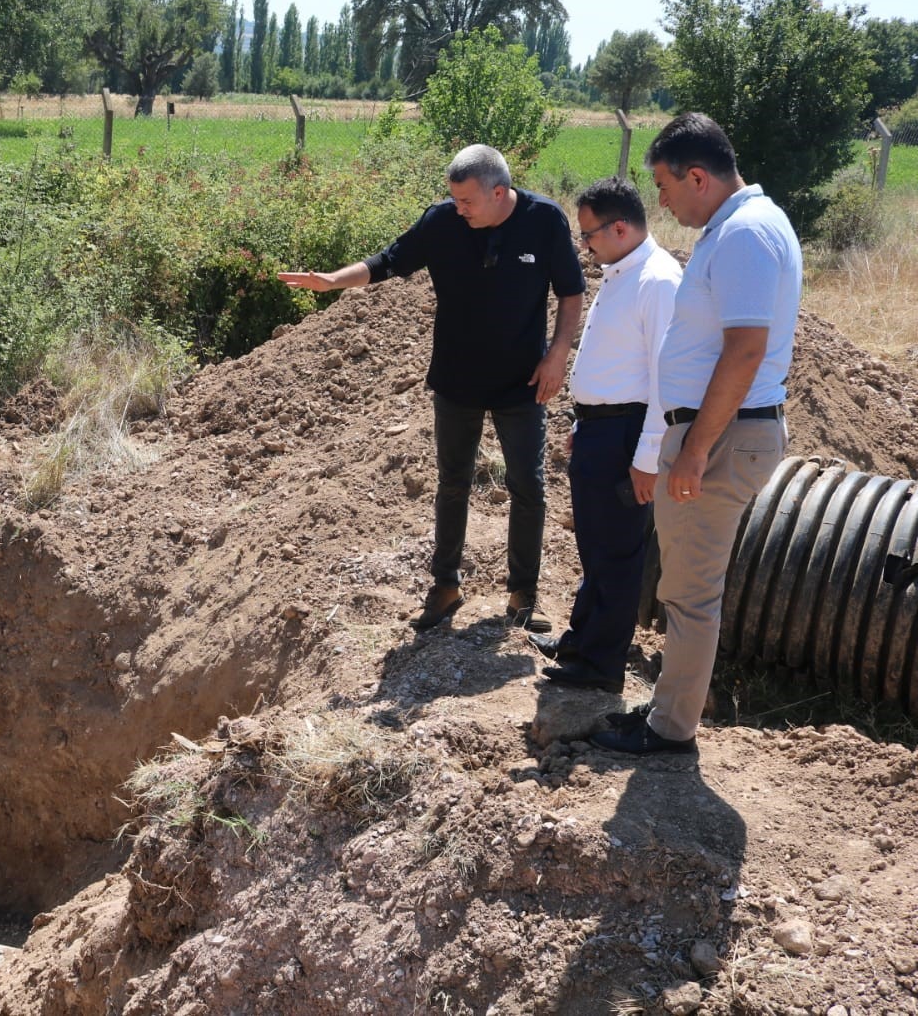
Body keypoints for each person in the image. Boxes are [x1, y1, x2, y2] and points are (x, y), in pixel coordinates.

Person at [278, 144, 584, 632]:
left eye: (467, 201)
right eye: (454, 200)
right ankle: (445, 585)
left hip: (524, 382)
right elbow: (389, 261)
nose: (458, 209)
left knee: (528, 485)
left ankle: (524, 594)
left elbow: (572, 292)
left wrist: (557, 355)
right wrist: (333, 281)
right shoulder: (442, 222)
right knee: (453, 482)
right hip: (457, 379)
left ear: (499, 192)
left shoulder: (544, 220)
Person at [592, 112, 801, 755]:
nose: (660, 199)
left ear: (698, 176)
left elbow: (743, 351)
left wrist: (696, 450)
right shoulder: (742, 227)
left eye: (664, 184)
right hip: (723, 431)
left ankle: (671, 730)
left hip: (724, 436)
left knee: (689, 595)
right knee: (685, 588)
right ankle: (665, 714)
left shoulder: (741, 234)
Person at [531, 177, 680, 691]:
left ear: (620, 227)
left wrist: (646, 457)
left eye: (589, 235)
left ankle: (599, 668)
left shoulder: (658, 281)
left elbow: (666, 380)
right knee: (596, 545)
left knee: (617, 554)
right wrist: (583, 420)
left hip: (626, 435)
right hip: (602, 430)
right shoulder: (623, 272)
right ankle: (580, 641)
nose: (585, 245)